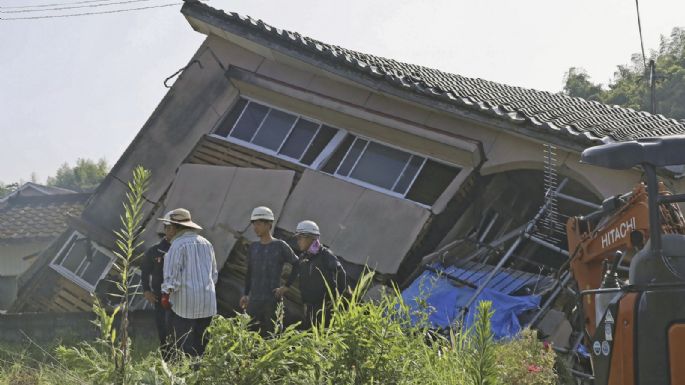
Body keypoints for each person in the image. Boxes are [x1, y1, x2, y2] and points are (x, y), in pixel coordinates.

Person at [160, 208, 218, 357]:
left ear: (173, 227)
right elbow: (214, 275)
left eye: (166, 227)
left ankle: (186, 377)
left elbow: (171, 279)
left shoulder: (177, 245)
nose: (165, 232)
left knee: (184, 344)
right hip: (207, 302)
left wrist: (166, 296)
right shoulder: (207, 243)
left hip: (185, 304)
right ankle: (200, 375)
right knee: (202, 345)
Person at [239, 206, 298, 335]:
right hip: (254, 300)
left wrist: (286, 287)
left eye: (259, 224)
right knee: (246, 333)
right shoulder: (253, 247)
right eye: (254, 224)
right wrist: (245, 294)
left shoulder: (280, 246)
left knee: (273, 335)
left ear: (269, 225)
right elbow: (249, 272)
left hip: (272, 300)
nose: (255, 227)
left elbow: (298, 264)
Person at [291, 220, 347, 328]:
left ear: (311, 238)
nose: (297, 241)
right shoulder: (304, 258)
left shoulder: (325, 255)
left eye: (300, 238)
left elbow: (341, 273)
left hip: (324, 309)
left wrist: (336, 298)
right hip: (309, 309)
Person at [140, 229, 171, 357]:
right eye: (168, 229)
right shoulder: (154, 251)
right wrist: (146, 290)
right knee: (163, 328)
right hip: (160, 297)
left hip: (179, 296)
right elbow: (145, 272)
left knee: (179, 330)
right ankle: (167, 360)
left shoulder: (181, 249)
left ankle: (181, 361)